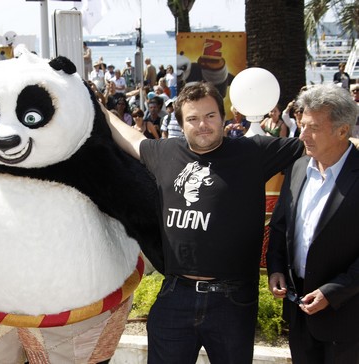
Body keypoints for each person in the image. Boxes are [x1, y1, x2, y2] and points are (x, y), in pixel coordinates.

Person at [104, 81, 304, 364]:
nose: (203, 125)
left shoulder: (252, 152)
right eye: (193, 119)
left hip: (232, 302)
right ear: (181, 124)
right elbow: (131, 139)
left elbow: (316, 142)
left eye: (210, 116)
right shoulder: (166, 153)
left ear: (223, 117)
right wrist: (100, 108)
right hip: (175, 296)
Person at [267, 84, 359, 364]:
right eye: (301, 125)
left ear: (342, 130)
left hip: (347, 319)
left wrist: (332, 293)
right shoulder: (297, 168)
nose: (302, 135)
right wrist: (277, 269)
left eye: (313, 128)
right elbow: (281, 227)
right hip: (299, 315)